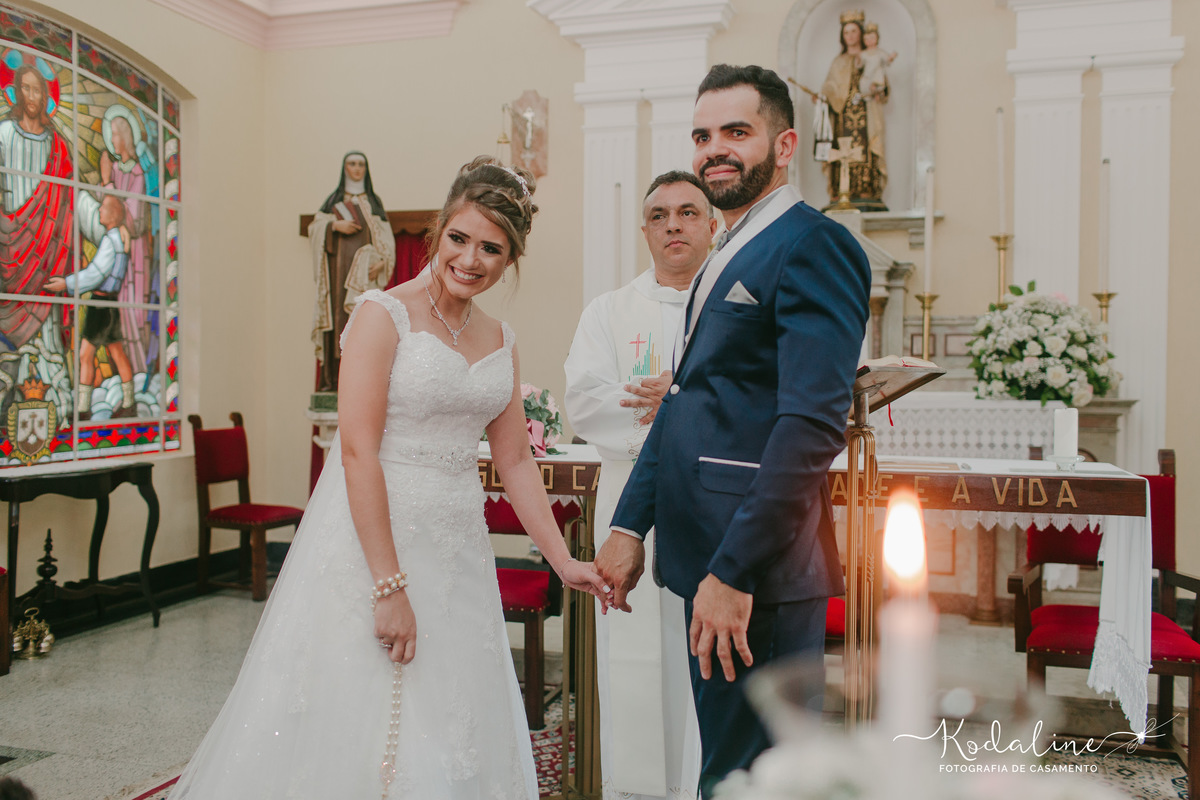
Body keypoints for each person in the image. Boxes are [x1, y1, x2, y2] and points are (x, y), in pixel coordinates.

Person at [170, 156, 612, 799]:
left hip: (457, 548)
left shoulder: (500, 338)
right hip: (374, 539)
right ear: (437, 232)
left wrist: (563, 561)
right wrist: (388, 586)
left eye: (492, 248)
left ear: (510, 259)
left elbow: (515, 460)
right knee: (362, 707)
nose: (471, 259)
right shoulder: (383, 314)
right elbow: (356, 452)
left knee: (454, 710)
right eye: (459, 238)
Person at [596, 64, 871, 797]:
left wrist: (734, 571)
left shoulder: (814, 245)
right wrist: (630, 526)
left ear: (784, 146)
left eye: (735, 133)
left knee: (753, 776)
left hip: (757, 575)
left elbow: (812, 425)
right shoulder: (730, 247)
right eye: (702, 135)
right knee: (732, 764)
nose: (714, 149)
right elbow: (691, 399)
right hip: (709, 558)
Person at [564, 170, 715, 800]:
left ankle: (706, 782)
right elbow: (584, 399)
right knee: (631, 648)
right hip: (630, 498)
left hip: (712, 502)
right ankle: (636, 788)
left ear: (713, 225)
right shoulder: (608, 310)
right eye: (659, 215)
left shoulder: (734, 302)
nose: (673, 225)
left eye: (687, 212)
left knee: (705, 648)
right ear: (646, 230)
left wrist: (681, 400)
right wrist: (674, 408)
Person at [309, 151, 396, 391]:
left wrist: (383, 265)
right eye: (352, 164)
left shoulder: (374, 203)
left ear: (366, 169)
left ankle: (362, 379)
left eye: (360, 164)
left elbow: (386, 241)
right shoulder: (332, 201)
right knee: (338, 320)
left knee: (363, 322)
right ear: (344, 168)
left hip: (365, 278)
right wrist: (334, 225)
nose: (356, 169)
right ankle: (334, 380)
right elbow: (315, 227)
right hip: (337, 275)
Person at [44, 195, 136, 419]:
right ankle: (130, 402)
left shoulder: (111, 240)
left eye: (103, 207)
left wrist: (66, 283)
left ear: (113, 215)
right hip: (110, 304)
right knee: (117, 352)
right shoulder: (120, 239)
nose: (99, 211)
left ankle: (83, 410)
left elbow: (95, 274)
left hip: (100, 305)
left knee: (86, 354)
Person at [817, 10, 888, 210]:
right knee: (843, 152)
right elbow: (830, 86)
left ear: (861, 33)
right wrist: (824, 96)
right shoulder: (838, 61)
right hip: (843, 116)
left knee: (866, 150)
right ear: (843, 35)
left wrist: (878, 90)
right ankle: (843, 190)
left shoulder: (871, 57)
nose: (850, 36)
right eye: (846, 32)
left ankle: (867, 190)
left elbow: (882, 82)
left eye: (854, 31)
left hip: (867, 114)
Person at [857, 22, 897, 102]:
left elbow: (887, 60)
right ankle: (871, 93)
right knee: (864, 83)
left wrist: (891, 58)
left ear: (876, 39)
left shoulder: (879, 52)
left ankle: (877, 91)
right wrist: (858, 60)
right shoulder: (863, 54)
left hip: (876, 75)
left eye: (871, 38)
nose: (869, 41)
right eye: (866, 39)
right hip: (867, 75)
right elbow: (860, 66)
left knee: (878, 72)